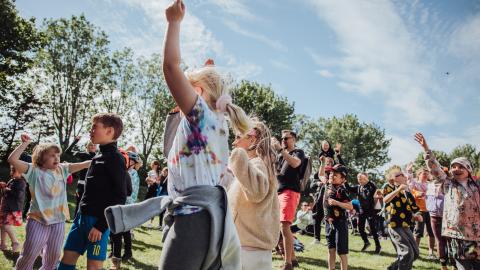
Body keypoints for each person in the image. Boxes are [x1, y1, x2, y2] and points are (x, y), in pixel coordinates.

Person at [157, 0, 250, 267]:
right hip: (210, 220)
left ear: (197, 92)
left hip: (193, 218)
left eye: (187, 84)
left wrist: (173, 22)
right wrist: (206, 71)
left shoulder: (201, 115)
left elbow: (170, 66)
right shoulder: (217, 125)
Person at [8, 134, 91, 270]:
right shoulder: (32, 170)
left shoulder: (62, 169)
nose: (57, 158)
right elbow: (12, 159)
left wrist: (102, 159)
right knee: (30, 254)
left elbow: (85, 164)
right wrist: (24, 144)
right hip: (37, 220)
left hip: (58, 221)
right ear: (41, 157)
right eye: (52, 155)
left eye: (58, 155)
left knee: (53, 257)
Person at [58, 113, 129, 270]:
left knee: (94, 266)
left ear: (109, 131)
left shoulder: (116, 158)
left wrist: (101, 226)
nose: (90, 130)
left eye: (94, 127)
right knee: (66, 259)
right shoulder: (97, 156)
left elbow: (120, 196)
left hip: (98, 224)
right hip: (80, 219)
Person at [415, 133, 480, 270]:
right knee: (464, 266)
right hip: (457, 234)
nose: (456, 169)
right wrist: (426, 149)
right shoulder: (448, 183)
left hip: (477, 235)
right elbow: (435, 168)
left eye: (461, 166)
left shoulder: (477, 186)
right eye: (454, 167)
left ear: (468, 170)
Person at [228, 120, 280, 270]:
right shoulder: (255, 165)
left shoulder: (257, 164)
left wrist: (238, 155)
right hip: (248, 249)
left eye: (238, 137)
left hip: (250, 252)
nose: (234, 142)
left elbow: (256, 192)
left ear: (252, 139)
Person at [272, 130, 305, 270]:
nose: (283, 141)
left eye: (286, 138)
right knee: (282, 227)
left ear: (294, 139)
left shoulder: (297, 152)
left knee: (285, 226)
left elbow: (295, 164)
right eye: (282, 139)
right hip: (279, 192)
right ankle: (293, 259)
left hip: (290, 192)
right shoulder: (281, 155)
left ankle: (288, 264)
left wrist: (280, 150)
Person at [383, 166, 423, 270]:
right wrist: (399, 189)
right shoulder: (389, 187)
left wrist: (417, 215)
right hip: (394, 225)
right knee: (407, 253)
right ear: (394, 178)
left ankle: (393, 268)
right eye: (400, 174)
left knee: (415, 253)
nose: (404, 176)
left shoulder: (408, 193)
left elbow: (415, 208)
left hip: (405, 225)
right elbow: (385, 200)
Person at [110, 151, 138, 268]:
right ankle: (114, 251)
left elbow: (132, 192)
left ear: (133, 162)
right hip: (118, 204)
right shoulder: (121, 171)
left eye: (130, 160)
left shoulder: (133, 173)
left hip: (127, 204)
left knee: (125, 231)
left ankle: (127, 252)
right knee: (115, 230)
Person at [323, 164, 353, 270]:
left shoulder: (342, 190)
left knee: (341, 252)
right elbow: (321, 174)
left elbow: (350, 206)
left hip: (340, 223)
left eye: (335, 174)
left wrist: (336, 203)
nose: (332, 175)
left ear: (343, 179)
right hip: (329, 223)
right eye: (331, 173)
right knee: (331, 249)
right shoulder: (328, 186)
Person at [345, 172, 382, 253]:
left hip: (370, 210)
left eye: (361, 178)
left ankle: (378, 246)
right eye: (358, 179)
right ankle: (366, 242)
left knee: (373, 229)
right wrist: (345, 181)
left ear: (366, 178)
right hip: (362, 210)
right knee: (360, 228)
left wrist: (367, 182)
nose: (359, 180)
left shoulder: (370, 186)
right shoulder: (358, 187)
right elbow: (349, 188)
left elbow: (370, 192)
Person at [406, 164, 436, 259]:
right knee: (418, 232)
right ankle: (415, 251)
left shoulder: (430, 184)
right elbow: (410, 189)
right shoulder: (415, 183)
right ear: (419, 174)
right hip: (419, 210)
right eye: (424, 173)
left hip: (431, 210)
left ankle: (431, 252)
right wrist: (409, 171)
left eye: (427, 174)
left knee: (432, 232)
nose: (425, 175)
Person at [63, 136, 97, 217]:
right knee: (79, 204)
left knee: (90, 206)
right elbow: (68, 152)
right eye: (90, 145)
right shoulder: (84, 154)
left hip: (92, 185)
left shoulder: (98, 157)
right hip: (81, 185)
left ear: (96, 147)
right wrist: (76, 141)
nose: (92, 146)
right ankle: (75, 222)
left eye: (94, 145)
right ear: (87, 147)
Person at [0, 165, 26, 252]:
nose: (12, 173)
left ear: (21, 172)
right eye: (12, 171)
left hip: (13, 208)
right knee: (3, 226)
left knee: (6, 226)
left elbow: (18, 195)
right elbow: (5, 194)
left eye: (14, 171)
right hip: (6, 207)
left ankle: (15, 242)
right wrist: (3, 188)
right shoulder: (12, 181)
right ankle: (3, 244)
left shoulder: (21, 182)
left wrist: (7, 189)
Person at [144, 160, 161, 228]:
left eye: (155, 164)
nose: (154, 165)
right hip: (150, 188)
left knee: (153, 205)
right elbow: (147, 181)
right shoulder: (150, 172)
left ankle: (150, 223)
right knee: (145, 203)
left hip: (155, 189)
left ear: (157, 165)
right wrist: (151, 181)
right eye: (153, 164)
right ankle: (143, 220)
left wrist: (154, 181)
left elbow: (159, 182)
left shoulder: (159, 172)